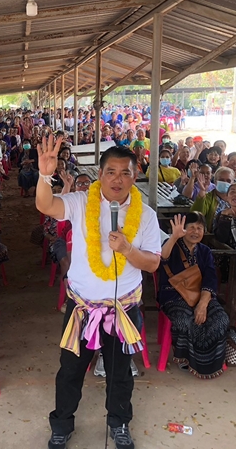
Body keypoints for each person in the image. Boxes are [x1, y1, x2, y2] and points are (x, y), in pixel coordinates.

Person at [36, 138, 161, 449]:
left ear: (135, 176)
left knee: (120, 373)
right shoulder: (81, 202)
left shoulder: (146, 215)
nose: (118, 179)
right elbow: (46, 206)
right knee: (70, 370)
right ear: (100, 174)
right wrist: (44, 175)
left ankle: (119, 423)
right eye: (111, 172)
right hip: (82, 307)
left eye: (125, 173)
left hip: (123, 308)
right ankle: (61, 424)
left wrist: (128, 249)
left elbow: (153, 263)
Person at [157, 213, 229, 378]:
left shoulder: (205, 251)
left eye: (199, 228)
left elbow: (210, 279)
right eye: (191, 227)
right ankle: (186, 357)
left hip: (201, 294)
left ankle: (210, 362)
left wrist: (203, 304)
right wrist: (174, 237)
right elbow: (162, 257)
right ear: (183, 229)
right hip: (173, 296)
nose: (195, 232)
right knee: (186, 321)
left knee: (221, 319)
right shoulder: (172, 245)